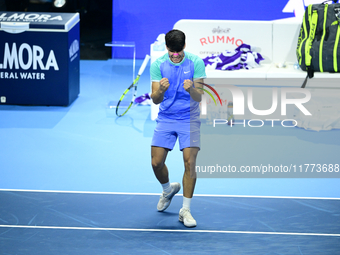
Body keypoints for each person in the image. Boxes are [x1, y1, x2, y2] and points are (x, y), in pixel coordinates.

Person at [150, 29, 206, 228]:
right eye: (172, 52)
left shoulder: (196, 62)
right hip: (166, 117)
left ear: (184, 46)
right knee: (156, 163)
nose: (175, 55)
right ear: (167, 48)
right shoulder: (158, 65)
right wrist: (161, 91)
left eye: (178, 52)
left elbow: (200, 97)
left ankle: (185, 210)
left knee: (190, 162)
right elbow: (155, 100)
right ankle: (167, 189)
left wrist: (191, 89)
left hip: (189, 118)